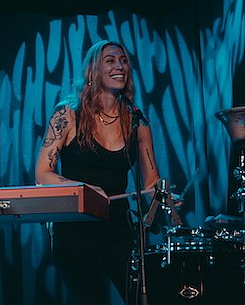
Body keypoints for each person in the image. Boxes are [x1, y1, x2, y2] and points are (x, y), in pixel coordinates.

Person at [35, 40, 161, 305]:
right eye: (110, 61)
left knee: (141, 297)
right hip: (76, 229)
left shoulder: (137, 121)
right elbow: (43, 173)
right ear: (94, 70)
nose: (120, 66)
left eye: (123, 61)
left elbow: (151, 183)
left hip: (118, 229)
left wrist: (164, 197)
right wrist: (84, 190)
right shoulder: (67, 113)